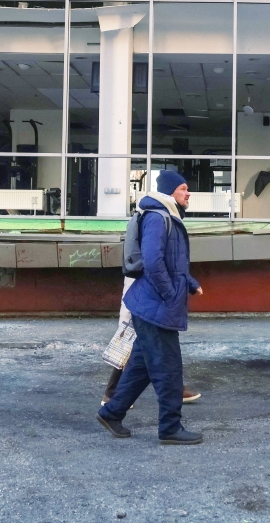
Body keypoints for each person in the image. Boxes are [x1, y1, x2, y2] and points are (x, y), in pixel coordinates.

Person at [97, 171, 204, 445]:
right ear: (170, 193)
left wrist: (190, 283)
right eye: (183, 188)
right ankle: (170, 427)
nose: (188, 193)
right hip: (156, 306)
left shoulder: (168, 216)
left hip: (152, 305)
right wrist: (170, 295)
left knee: (142, 366)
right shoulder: (158, 217)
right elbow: (154, 262)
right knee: (169, 368)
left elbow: (173, 262)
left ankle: (111, 413)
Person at [101, 279, 202, 405]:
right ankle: (113, 394)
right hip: (144, 296)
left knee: (146, 347)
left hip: (147, 296)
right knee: (143, 346)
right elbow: (154, 267)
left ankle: (113, 394)